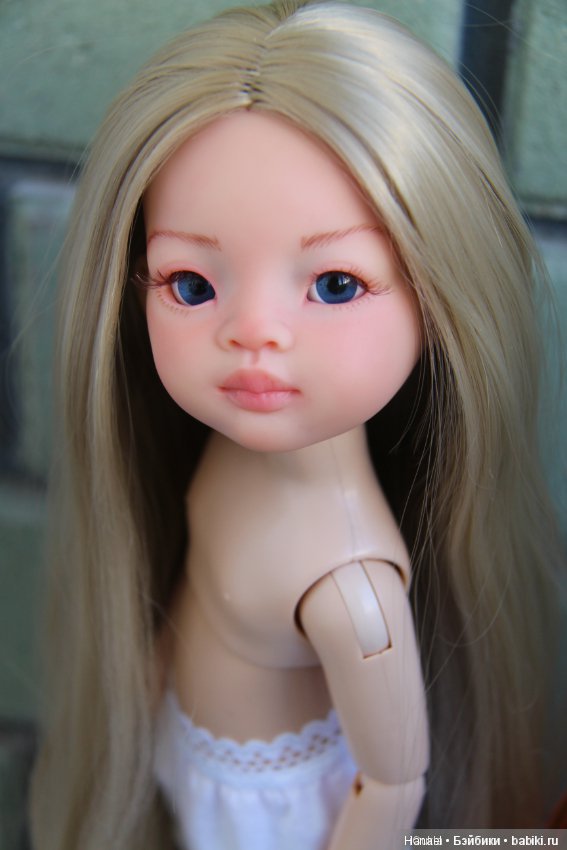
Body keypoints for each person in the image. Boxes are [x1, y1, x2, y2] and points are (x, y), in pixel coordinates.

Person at [30, 2, 564, 848]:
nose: (253, 334)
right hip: (184, 752)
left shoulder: (352, 588)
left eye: (336, 285)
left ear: (443, 299)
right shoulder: (217, 450)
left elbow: (393, 782)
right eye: (191, 285)